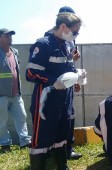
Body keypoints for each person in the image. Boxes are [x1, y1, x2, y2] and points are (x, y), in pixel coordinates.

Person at [26, 12, 82, 169]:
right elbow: (30, 73)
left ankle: (61, 166)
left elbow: (67, 67)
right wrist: (52, 81)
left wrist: (75, 78)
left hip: (64, 99)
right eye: (75, 31)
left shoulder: (68, 44)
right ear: (63, 27)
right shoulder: (43, 44)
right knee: (42, 137)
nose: (76, 35)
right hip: (46, 99)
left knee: (62, 134)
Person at [44, 6, 82, 160]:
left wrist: (75, 79)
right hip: (54, 87)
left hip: (67, 84)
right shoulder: (49, 40)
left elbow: (68, 63)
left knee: (69, 116)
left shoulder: (71, 39)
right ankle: (51, 151)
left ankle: (67, 149)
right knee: (55, 119)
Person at [0, 28, 31, 153]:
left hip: (16, 93)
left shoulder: (15, 52)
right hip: (1, 94)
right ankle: (5, 143)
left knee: (21, 117)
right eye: (6, 36)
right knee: (1, 121)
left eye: (10, 36)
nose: (10, 38)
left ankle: (25, 141)